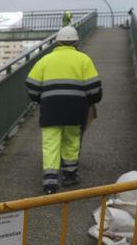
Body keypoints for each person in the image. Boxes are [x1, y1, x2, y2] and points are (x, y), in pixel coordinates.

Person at [25, 26, 102, 194]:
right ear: (75, 42)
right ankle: (69, 176)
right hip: (75, 109)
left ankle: (50, 183)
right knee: (71, 141)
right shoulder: (84, 59)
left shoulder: (45, 60)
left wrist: (39, 98)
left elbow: (31, 84)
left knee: (50, 144)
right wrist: (92, 100)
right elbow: (94, 87)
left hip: (50, 109)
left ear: (57, 42)